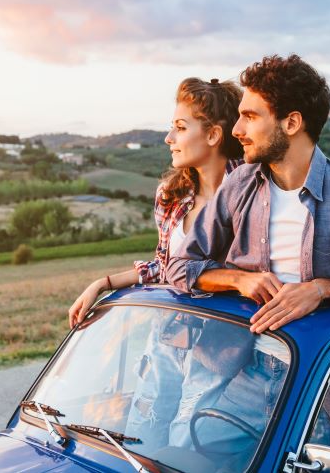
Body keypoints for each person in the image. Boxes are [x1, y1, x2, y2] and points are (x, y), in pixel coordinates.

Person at [165, 54, 330, 462]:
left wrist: (321, 290)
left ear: (291, 123)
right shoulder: (238, 186)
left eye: (250, 117)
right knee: (195, 457)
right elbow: (180, 267)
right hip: (252, 367)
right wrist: (239, 280)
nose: (237, 130)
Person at [66, 76, 246, 453]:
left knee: (186, 448)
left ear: (214, 135)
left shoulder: (249, 193)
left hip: (218, 349)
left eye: (180, 128)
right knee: (140, 440)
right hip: (166, 338)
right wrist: (103, 283)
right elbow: (166, 267)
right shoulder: (170, 195)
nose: (169, 138)